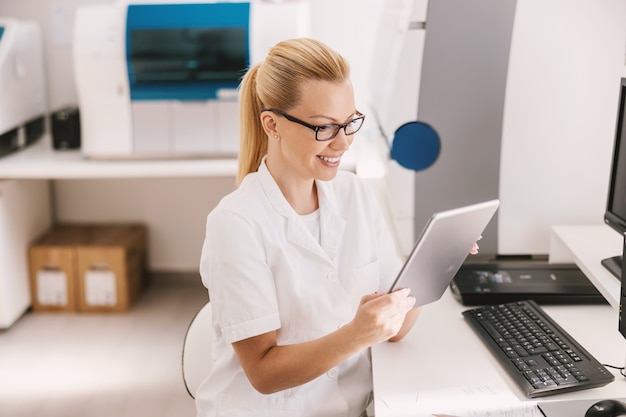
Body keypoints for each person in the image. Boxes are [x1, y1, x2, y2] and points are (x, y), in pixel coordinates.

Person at [196, 37, 421, 417]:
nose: (343, 142)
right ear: (272, 124)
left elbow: (395, 328)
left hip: (354, 407)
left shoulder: (356, 195)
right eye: (324, 128)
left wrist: (440, 263)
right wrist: (354, 335)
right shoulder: (236, 224)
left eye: (350, 123)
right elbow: (263, 374)